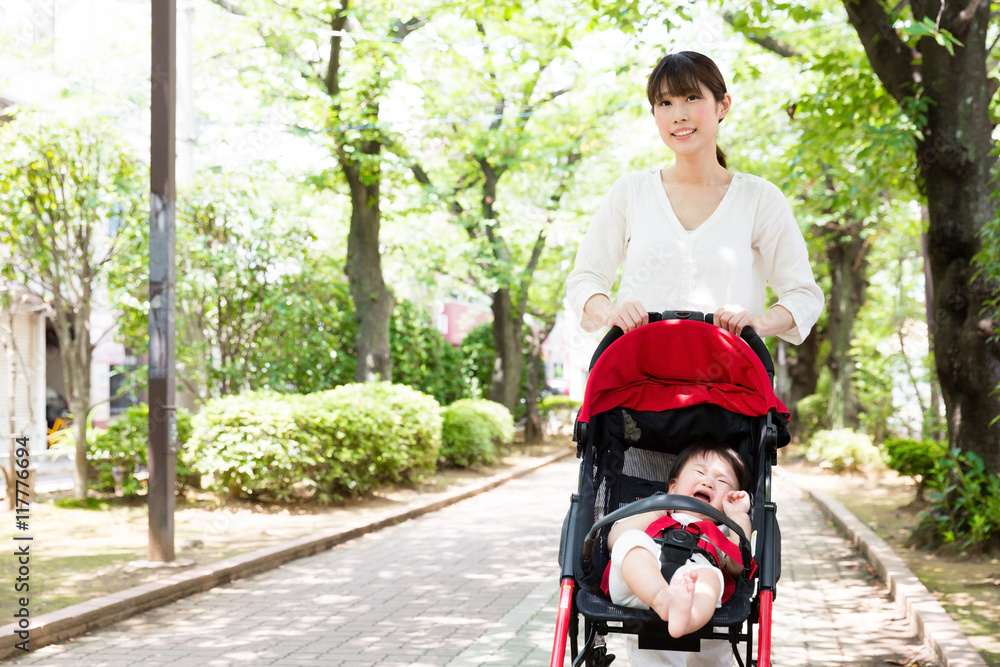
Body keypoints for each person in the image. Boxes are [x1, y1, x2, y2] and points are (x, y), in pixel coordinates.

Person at [566, 51, 823, 344]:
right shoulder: (631, 192)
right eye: (665, 103)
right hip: (640, 376)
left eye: (691, 98)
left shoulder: (759, 198)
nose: (679, 115)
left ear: (723, 105)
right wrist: (612, 314)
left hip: (730, 378)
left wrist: (757, 323)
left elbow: (803, 295)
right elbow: (584, 279)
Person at [603, 443, 751, 666]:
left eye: (722, 482)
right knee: (631, 541)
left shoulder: (721, 532)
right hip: (638, 584)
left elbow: (738, 566)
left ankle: (686, 617)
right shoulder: (651, 514)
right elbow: (614, 541)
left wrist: (739, 517)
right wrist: (656, 509)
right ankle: (662, 599)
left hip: (692, 582)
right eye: (700, 472)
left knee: (710, 577)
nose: (708, 482)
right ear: (672, 487)